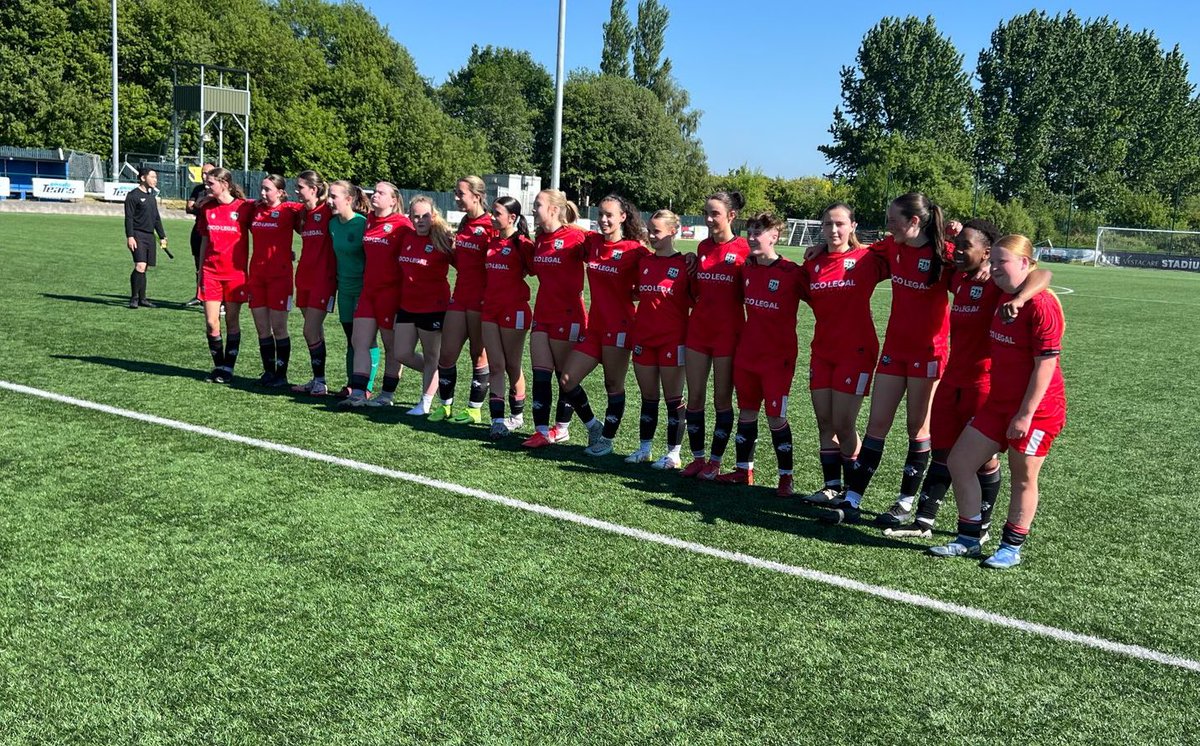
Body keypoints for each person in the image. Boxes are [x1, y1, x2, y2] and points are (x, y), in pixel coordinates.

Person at [888, 221, 1051, 538]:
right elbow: (937, 247)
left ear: (988, 253)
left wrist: (1019, 299)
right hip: (952, 380)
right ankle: (924, 522)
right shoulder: (957, 278)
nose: (958, 252)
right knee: (942, 451)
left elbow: (1043, 275)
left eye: (966, 246)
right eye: (957, 245)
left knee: (984, 461)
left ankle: (982, 528)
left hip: (983, 384)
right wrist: (954, 232)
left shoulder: (997, 285)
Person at [813, 192, 954, 525]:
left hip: (928, 354)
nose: (888, 226)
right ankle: (852, 499)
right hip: (893, 351)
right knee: (877, 425)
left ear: (914, 221)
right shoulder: (891, 247)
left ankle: (904, 504)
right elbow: (855, 250)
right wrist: (821, 248)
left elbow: (979, 267)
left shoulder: (945, 254)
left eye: (893, 220)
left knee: (916, 428)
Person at [929, 235, 1067, 569]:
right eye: (993, 262)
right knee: (960, 462)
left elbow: (1045, 366)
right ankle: (968, 537)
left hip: (1037, 411)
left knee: (1023, 478)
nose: (994, 269)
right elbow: (1035, 274)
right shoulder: (1001, 295)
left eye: (1002, 262)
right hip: (998, 404)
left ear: (1024, 263)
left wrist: (1025, 414)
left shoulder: (1041, 305)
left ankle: (1011, 547)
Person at [797, 203, 889, 502]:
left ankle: (852, 490)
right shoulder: (813, 263)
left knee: (843, 423)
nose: (833, 230)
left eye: (840, 224)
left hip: (857, 351)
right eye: (828, 224)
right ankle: (831, 486)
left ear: (853, 226)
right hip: (823, 350)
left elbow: (906, 253)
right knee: (825, 422)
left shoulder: (868, 258)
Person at [714, 213, 804, 496]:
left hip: (778, 358)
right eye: (750, 232)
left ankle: (786, 477)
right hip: (747, 353)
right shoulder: (746, 269)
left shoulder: (792, 272)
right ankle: (743, 470)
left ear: (774, 236)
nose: (751, 238)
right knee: (747, 411)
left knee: (776, 417)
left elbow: (822, 302)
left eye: (758, 233)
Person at [556, 194, 652, 457]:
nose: (604, 219)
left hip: (620, 327)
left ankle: (607, 440)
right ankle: (593, 426)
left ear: (623, 217)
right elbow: (566, 228)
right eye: (600, 214)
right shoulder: (593, 242)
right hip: (595, 328)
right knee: (567, 379)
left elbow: (654, 273)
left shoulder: (635, 250)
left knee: (613, 384)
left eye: (609, 215)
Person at [680, 191, 751, 480]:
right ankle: (698, 458)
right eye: (706, 213)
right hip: (698, 331)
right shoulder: (702, 247)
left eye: (715, 214)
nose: (709, 219)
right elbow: (697, 290)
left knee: (722, 400)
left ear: (731, 216)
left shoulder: (745, 248)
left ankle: (715, 461)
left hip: (728, 334)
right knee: (695, 397)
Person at [625, 210, 693, 469]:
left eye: (657, 231)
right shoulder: (643, 262)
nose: (652, 236)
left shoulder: (685, 264)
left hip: (672, 340)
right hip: (643, 337)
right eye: (650, 231)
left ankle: (674, 454)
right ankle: (645, 449)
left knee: (673, 399)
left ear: (673, 231)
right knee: (648, 397)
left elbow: (696, 299)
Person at [522, 189, 588, 448]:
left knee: (565, 378)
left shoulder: (577, 236)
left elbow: (608, 247)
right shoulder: (539, 238)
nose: (533, 208)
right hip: (542, 314)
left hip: (568, 316)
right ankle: (540, 431)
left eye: (537, 204)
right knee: (540, 374)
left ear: (553, 209)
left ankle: (562, 428)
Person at [340, 182, 411, 407]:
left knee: (392, 347)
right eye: (375, 191)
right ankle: (358, 394)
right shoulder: (369, 220)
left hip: (391, 294)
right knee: (359, 341)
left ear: (393, 200)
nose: (375, 195)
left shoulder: (402, 224)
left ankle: (387, 395)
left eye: (381, 192)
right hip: (368, 292)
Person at [433, 176, 497, 423]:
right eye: (456, 193)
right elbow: (462, 262)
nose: (456, 198)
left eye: (461, 193)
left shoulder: (490, 225)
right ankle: (445, 406)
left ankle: (474, 410)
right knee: (447, 354)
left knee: (478, 354)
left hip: (482, 299)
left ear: (476, 196)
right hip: (460, 296)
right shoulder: (464, 223)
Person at [480, 196, 536, 439]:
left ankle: (517, 415)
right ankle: (497, 420)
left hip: (515, 311)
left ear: (512, 218)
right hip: (490, 309)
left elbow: (536, 270)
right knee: (496, 365)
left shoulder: (522, 244)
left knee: (512, 365)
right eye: (492, 212)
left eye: (497, 213)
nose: (492, 217)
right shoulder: (491, 242)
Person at [395, 195, 455, 415]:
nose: (420, 220)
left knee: (431, 356)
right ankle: (441, 374)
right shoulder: (406, 237)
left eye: (425, 216)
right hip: (407, 305)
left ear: (434, 216)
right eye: (416, 216)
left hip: (434, 307)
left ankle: (425, 402)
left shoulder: (444, 239)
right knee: (401, 353)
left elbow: (466, 266)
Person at [195, 167, 254, 383]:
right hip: (211, 273)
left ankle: (228, 368)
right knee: (212, 323)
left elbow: (265, 229)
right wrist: (200, 271)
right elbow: (204, 241)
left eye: (211, 183)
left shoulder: (244, 208)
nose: (206, 187)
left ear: (225, 184)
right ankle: (219, 366)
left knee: (231, 321)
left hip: (235, 275)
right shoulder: (206, 208)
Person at [247, 175, 303, 387]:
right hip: (257, 276)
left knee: (279, 328)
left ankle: (282, 374)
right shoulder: (255, 209)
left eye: (267, 189)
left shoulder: (290, 210)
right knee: (262, 328)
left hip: (280, 277)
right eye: (262, 188)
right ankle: (269, 371)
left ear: (280, 192)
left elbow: (312, 212)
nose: (262, 193)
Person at [326, 180, 379, 398]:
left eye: (334, 197)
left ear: (348, 199)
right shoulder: (332, 224)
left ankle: (366, 387)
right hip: (344, 290)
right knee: (351, 338)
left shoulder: (362, 224)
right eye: (329, 196)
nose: (329, 201)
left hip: (363, 290)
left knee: (365, 340)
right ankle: (352, 383)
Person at [291, 170, 337, 396]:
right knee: (315, 331)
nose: (296, 191)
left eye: (300, 187)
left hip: (323, 280)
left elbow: (354, 208)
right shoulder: (302, 213)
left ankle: (320, 381)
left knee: (309, 330)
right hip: (304, 278)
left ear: (314, 189)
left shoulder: (328, 210)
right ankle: (318, 380)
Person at [123, 166, 168, 309]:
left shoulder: (151, 197)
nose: (155, 180)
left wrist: (162, 236)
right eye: (152, 177)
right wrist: (130, 236)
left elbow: (156, 219)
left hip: (150, 236)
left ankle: (143, 298)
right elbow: (128, 218)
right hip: (138, 235)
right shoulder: (133, 196)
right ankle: (134, 298)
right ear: (143, 178)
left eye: (156, 177)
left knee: (145, 267)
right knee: (140, 265)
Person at [185, 163, 215, 306]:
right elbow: (188, 208)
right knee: (198, 264)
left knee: (212, 264)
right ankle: (199, 295)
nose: (204, 176)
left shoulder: (217, 190)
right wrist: (201, 206)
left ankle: (214, 296)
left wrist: (198, 205)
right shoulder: (198, 189)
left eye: (207, 173)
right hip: (198, 229)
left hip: (213, 231)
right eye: (203, 173)